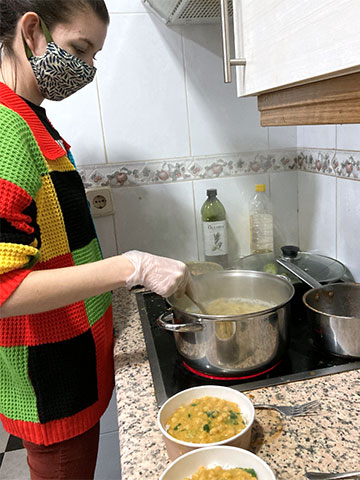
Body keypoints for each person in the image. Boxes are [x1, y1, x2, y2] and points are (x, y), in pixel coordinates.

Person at [0, 1, 190, 478]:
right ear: (31, 32)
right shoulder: (6, 128)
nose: (86, 69)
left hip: (72, 361)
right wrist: (132, 267)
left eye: (93, 56)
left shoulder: (30, 117)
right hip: (52, 378)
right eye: (79, 49)